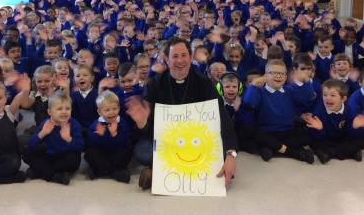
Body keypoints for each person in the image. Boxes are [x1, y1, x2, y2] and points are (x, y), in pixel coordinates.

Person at [126, 36, 238, 190]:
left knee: (220, 149)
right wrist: (142, 123)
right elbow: (148, 126)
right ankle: (177, 166)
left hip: (196, 138)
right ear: (167, 60)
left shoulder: (203, 82)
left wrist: (231, 154)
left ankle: (157, 170)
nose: (180, 61)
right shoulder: (154, 84)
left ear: (191, 58)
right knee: (142, 152)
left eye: (184, 55)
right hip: (167, 140)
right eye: (175, 56)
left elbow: (221, 115)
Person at [243, 59, 315, 163]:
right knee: (258, 136)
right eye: (274, 73)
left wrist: (306, 79)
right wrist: (254, 84)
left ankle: (271, 149)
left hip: (287, 132)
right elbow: (249, 100)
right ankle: (293, 152)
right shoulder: (260, 91)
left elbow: (307, 96)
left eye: (282, 73)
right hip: (267, 132)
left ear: (285, 77)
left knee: (307, 137)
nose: (278, 76)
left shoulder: (289, 90)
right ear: (266, 76)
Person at [23, 91, 84, 185]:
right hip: (50, 155)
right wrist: (42, 133)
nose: (64, 112)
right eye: (59, 109)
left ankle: (40, 172)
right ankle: (55, 175)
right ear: (50, 112)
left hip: (65, 157)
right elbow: (32, 145)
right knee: (27, 152)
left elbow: (80, 147)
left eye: (67, 108)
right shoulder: (46, 124)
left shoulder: (75, 124)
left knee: (74, 159)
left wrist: (68, 139)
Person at [302, 79, 364, 164]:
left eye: (333, 95)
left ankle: (330, 153)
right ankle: (351, 152)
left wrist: (354, 127)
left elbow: (351, 134)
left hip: (343, 138)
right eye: (325, 95)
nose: (328, 98)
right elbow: (319, 137)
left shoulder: (349, 110)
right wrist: (319, 129)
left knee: (360, 139)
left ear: (343, 99)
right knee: (313, 142)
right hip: (327, 139)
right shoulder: (318, 112)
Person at [84, 91, 132, 183]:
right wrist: (99, 135)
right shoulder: (97, 123)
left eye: (114, 109)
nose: (111, 112)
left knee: (125, 154)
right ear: (99, 112)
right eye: (107, 110)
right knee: (89, 154)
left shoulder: (121, 122)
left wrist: (114, 134)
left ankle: (99, 170)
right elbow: (91, 141)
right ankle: (114, 172)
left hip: (116, 151)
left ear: (119, 108)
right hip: (102, 152)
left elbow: (124, 141)